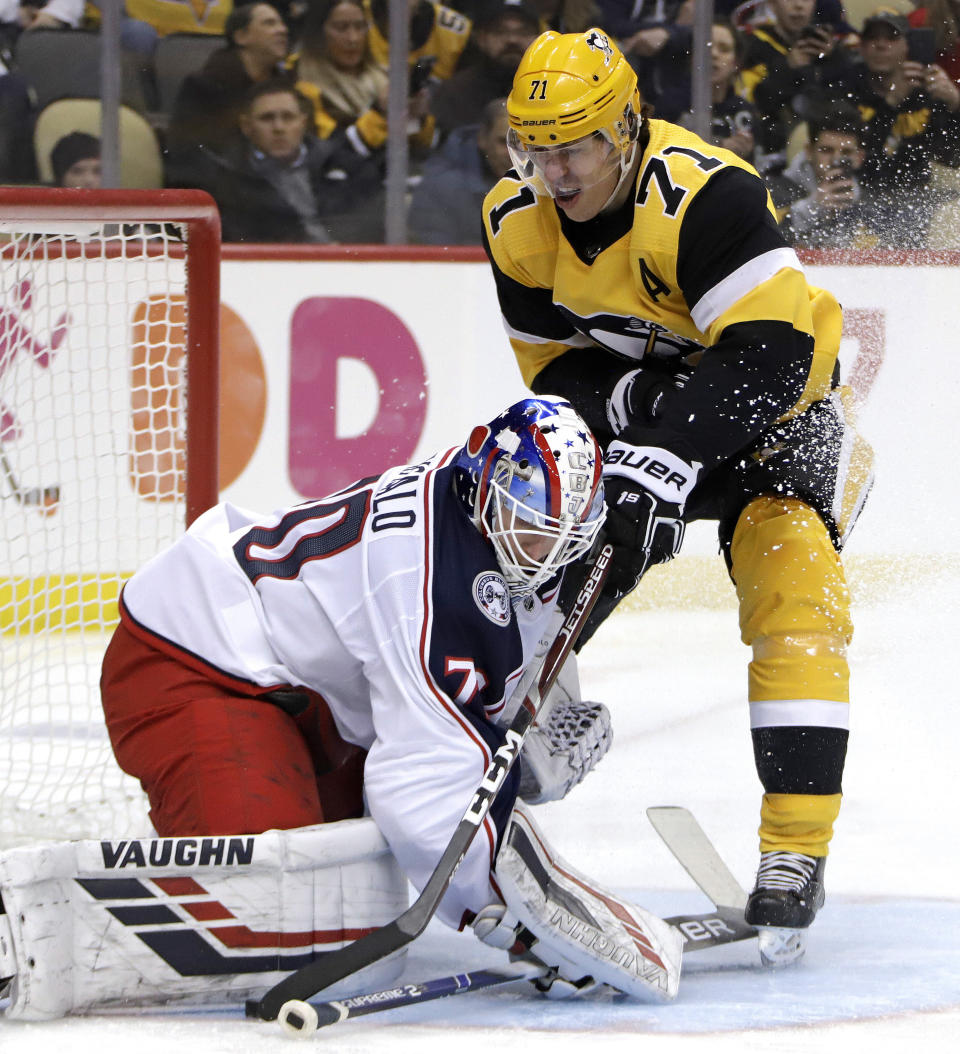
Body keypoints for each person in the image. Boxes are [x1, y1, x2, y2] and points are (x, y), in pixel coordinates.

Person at [482, 28, 874, 968]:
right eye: (536, 149)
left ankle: (793, 856)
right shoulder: (515, 221)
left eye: (573, 146)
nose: (554, 171)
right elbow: (557, 381)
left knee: (794, 592)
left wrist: (660, 451)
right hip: (659, 413)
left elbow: (773, 356)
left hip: (782, 414)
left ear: (625, 128)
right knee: (526, 539)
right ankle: (532, 725)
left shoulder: (709, 197)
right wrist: (640, 432)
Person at [87, 395, 682, 1010]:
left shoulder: (475, 503)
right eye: (528, 525)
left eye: (561, 538)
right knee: (267, 922)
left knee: (343, 893)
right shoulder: (428, 580)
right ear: (489, 481)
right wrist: (518, 924)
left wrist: (517, 727)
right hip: (192, 662)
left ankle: (214, 814)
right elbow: (424, 800)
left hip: (307, 705)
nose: (542, 552)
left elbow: (511, 632)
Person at [181, 80, 384, 242]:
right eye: (267, 118)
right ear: (246, 126)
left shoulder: (341, 165)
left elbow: (368, 225)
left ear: (303, 123)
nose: (279, 127)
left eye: (288, 117)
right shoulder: (226, 179)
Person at [829, 7, 960, 246]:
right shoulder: (846, 89)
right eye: (872, 38)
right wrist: (891, 103)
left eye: (891, 37)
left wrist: (955, 103)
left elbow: (952, 155)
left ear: (906, 46)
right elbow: (859, 157)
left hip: (921, 197)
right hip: (861, 195)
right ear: (861, 46)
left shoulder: (927, 92)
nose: (881, 45)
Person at [291, 0, 435, 160]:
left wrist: (416, 118)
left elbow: (419, 147)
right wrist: (380, 113)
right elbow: (331, 153)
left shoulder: (384, 78)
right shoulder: (301, 88)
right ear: (318, 34)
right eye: (341, 28)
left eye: (360, 27)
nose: (353, 38)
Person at [166, 2, 292, 170]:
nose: (282, 30)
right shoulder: (204, 87)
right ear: (241, 37)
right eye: (269, 23)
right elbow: (189, 155)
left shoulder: (288, 87)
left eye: (282, 23)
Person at [738, 0, 851, 175]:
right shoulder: (753, 47)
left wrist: (829, 63)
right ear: (772, 4)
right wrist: (788, 68)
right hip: (769, 157)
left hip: (826, 156)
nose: (798, 5)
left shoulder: (830, 51)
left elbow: (843, 107)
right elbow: (755, 103)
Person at [409, 96, 511, 242]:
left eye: (525, 143)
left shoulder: (550, 186)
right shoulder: (439, 190)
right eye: (504, 142)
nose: (514, 154)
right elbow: (434, 257)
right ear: (482, 139)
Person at [431, 0, 541, 137]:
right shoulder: (454, 92)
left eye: (523, 32)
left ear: (539, 39)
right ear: (481, 38)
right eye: (500, 31)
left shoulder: (552, 91)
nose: (512, 39)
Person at [778, 103, 878, 246]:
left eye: (846, 153)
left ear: (859, 157)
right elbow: (764, 240)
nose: (835, 160)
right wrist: (811, 208)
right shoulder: (774, 191)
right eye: (826, 150)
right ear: (809, 151)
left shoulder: (869, 201)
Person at [677, 17, 758, 164]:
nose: (714, 55)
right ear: (692, 57)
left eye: (724, 49)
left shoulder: (745, 111)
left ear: (736, 63)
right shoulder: (671, 105)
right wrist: (720, 147)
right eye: (706, 47)